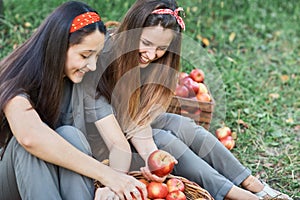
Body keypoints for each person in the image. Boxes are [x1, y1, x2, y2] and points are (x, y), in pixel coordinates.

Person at [80, 0, 293, 200]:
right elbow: (117, 139)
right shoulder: (101, 58)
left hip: (122, 125)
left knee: (180, 123)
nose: (152, 54)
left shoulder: (147, 62)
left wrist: (153, 160)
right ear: (132, 29)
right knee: (163, 140)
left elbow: (137, 119)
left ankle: (254, 184)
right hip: (99, 141)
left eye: (162, 49)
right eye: (146, 42)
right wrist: (151, 155)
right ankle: (236, 194)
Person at [0, 1, 147, 200]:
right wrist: (107, 175)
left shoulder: (81, 81)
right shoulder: (16, 77)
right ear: (59, 47)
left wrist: (113, 184)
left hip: (53, 182)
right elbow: (30, 137)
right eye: (85, 55)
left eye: (96, 56)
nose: (93, 66)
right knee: (28, 148)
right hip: (11, 182)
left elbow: (117, 144)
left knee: (71, 135)